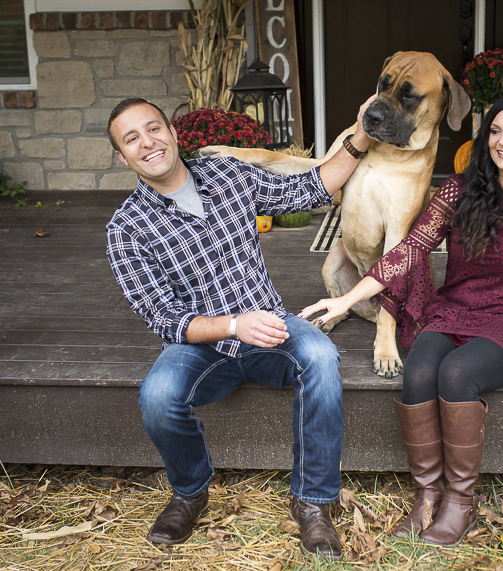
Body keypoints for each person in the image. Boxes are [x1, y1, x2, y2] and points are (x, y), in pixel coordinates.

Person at [105, 95, 375, 560]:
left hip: (269, 327)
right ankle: (190, 491)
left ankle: (312, 503)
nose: (147, 142)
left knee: (321, 357)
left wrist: (360, 140)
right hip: (205, 347)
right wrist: (233, 325)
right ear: (122, 156)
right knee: (157, 394)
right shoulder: (126, 228)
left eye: (153, 128)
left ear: (172, 131)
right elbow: (163, 318)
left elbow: (309, 189)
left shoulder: (228, 174)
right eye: (132, 139)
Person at [299, 91, 503, 546]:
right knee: (420, 370)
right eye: (495, 131)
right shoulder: (461, 188)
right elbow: (410, 249)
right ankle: (427, 494)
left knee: (457, 373)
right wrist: (347, 300)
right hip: (455, 309)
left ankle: (460, 502)